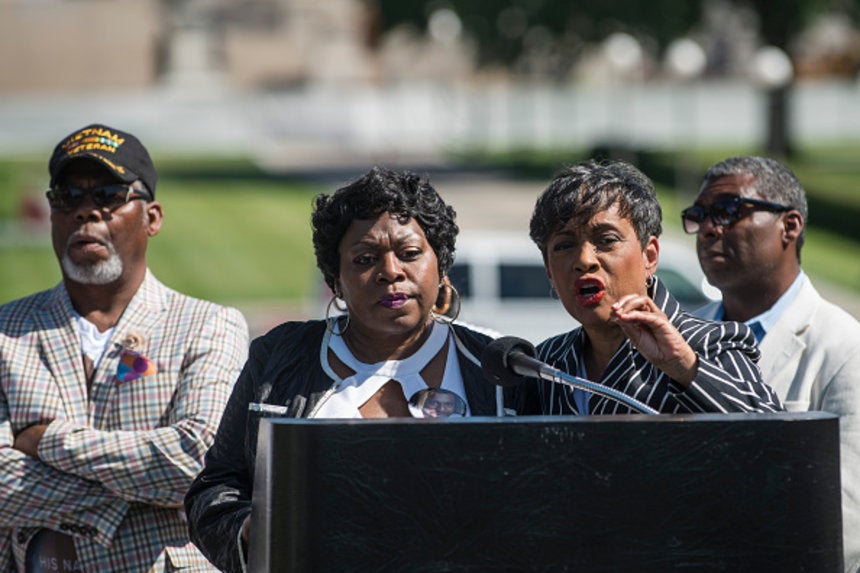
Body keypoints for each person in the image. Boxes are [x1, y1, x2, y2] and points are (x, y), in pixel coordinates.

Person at [184, 166, 510, 572]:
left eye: (409, 254)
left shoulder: (496, 368)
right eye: (365, 258)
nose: (391, 271)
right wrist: (257, 528)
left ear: (441, 266)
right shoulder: (279, 358)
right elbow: (215, 490)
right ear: (335, 281)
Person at [0, 124, 249, 572]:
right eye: (68, 196)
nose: (86, 212)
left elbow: (199, 463)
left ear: (152, 217)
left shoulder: (207, 326)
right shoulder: (6, 331)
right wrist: (147, 490)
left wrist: (50, 442)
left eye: (109, 195)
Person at [685, 155, 860, 572]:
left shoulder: (843, 346)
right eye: (699, 215)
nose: (709, 228)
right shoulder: (682, 336)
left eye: (728, 211)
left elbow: (847, 518)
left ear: (790, 226)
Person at [518, 159, 783, 416]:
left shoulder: (707, 345)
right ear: (549, 270)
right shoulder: (545, 363)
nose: (584, 260)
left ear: (650, 256)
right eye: (564, 246)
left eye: (606, 240)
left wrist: (685, 368)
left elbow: (783, 441)